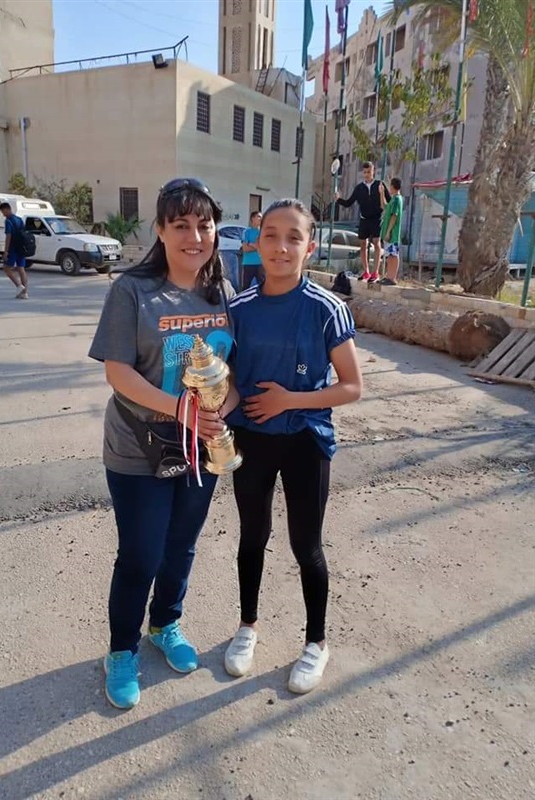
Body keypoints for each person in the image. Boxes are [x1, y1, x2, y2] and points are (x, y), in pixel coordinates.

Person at [88, 178, 238, 710]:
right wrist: (183, 410)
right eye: (181, 225)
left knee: (181, 545)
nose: (194, 237)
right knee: (141, 554)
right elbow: (118, 372)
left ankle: (165, 624)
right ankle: (122, 650)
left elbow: (232, 370)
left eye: (204, 225)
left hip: (201, 449)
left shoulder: (223, 291)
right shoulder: (132, 290)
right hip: (139, 448)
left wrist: (222, 412)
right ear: (160, 230)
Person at [224, 198, 363, 694]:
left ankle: (316, 643)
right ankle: (247, 627)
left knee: (306, 545)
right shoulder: (237, 309)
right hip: (251, 440)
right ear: (256, 243)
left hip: (306, 441)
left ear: (310, 246)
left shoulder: (327, 308)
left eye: (293, 237)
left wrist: (289, 400)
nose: (281, 247)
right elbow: (229, 381)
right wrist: (213, 407)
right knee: (251, 537)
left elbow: (352, 386)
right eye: (271, 236)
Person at [334, 161, 390, 284]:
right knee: (363, 245)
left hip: (376, 219)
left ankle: (375, 272)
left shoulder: (380, 185)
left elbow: (389, 202)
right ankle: (366, 272)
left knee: (376, 243)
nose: (367, 174)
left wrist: (382, 196)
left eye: (369, 172)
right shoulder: (359, 188)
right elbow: (348, 203)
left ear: (373, 171)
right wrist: (338, 199)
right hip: (364, 219)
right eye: (364, 172)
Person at [0, 202, 28, 299]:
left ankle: (19, 286)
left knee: (6, 268)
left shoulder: (8, 221)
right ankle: (25, 293)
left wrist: (6, 251)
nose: (3, 214)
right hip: (21, 247)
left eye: (3, 211)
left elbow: (8, 236)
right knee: (21, 269)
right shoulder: (19, 219)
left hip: (13, 248)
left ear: (7, 209)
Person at [378, 177, 403, 286]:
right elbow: (384, 206)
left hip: (393, 233)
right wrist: (382, 193)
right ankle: (389, 276)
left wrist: (388, 232)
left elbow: (394, 216)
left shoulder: (397, 199)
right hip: (389, 233)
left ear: (392, 186)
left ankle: (392, 278)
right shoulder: (393, 199)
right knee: (390, 255)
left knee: (393, 255)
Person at [240, 211, 263, 290]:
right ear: (253, 218)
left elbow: (264, 247)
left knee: (263, 287)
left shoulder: (263, 232)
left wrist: (250, 243)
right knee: (245, 287)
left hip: (261, 264)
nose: (261, 219)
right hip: (248, 263)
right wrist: (257, 246)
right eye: (259, 216)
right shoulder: (246, 232)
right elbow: (245, 249)